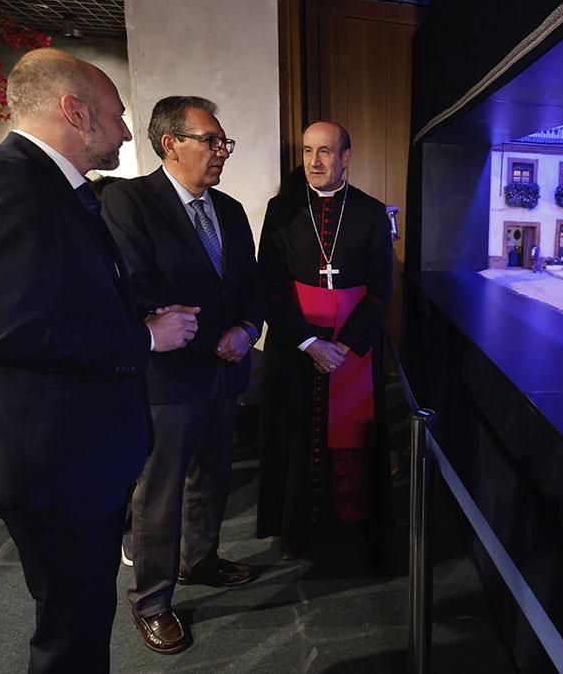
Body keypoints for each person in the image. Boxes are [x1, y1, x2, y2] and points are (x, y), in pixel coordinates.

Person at [0, 48, 198, 673]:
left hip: (75, 451)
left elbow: (60, 299)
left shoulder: (51, 185)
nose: (128, 131)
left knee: (82, 619)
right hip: (52, 458)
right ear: (74, 110)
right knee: (71, 632)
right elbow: (11, 329)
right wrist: (147, 340)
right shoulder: (1, 181)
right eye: (118, 114)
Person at [102, 96, 265, 654]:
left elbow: (250, 287)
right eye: (211, 141)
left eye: (224, 143)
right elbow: (135, 285)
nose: (221, 152)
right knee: (160, 493)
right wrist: (186, 328)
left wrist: (246, 328)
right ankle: (151, 600)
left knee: (212, 478)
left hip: (225, 369)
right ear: (170, 143)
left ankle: (201, 561)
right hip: (168, 378)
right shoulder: (128, 200)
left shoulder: (233, 210)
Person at [256, 121, 393, 562]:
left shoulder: (371, 212)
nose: (314, 161)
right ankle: (295, 533)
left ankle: (349, 531)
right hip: (296, 348)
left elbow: (380, 289)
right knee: (296, 438)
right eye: (308, 151)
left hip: (351, 352)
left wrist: (345, 346)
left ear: (346, 157)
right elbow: (270, 286)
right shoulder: (282, 210)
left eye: (326, 152)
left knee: (351, 438)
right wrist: (309, 343)